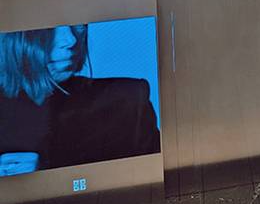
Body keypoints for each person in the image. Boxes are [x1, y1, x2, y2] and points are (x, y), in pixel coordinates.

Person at [0, 24, 159, 174]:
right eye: (51, 26)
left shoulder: (127, 101)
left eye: (77, 24)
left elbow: (150, 183)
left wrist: (48, 175)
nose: (71, 40)